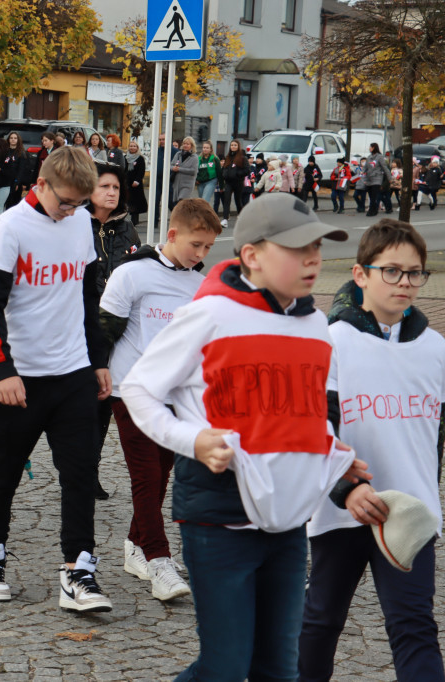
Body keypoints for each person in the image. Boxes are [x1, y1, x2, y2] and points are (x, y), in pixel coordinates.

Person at [120, 194, 361, 680]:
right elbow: (138, 388)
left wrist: (336, 463)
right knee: (225, 668)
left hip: (288, 522)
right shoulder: (210, 314)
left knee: (278, 669)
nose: (312, 259)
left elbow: (312, 416)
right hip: (217, 517)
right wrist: (192, 441)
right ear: (251, 255)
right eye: (297, 248)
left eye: (317, 247)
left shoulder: (318, 326)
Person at [298, 219, 444, 682]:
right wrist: (347, 487)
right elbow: (313, 424)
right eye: (392, 271)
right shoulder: (329, 341)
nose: (405, 282)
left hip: (410, 512)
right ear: (361, 274)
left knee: (415, 626)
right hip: (342, 510)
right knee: (320, 622)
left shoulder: (436, 348)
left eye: (415, 272)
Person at [0, 147, 112, 612]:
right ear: (42, 185)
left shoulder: (80, 224)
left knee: (80, 473)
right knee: (3, 473)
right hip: (21, 377)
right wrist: (3, 370)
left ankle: (79, 570)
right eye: (65, 202)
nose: (71, 211)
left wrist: (98, 360)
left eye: (79, 204)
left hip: (72, 373)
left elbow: (88, 298)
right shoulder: (10, 227)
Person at [100, 198, 221, 603]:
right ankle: (157, 558)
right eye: (196, 245)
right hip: (130, 389)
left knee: (162, 474)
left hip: (176, 395)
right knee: (146, 475)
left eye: (208, 247)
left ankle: (135, 544)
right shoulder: (131, 274)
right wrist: (97, 374)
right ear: (172, 235)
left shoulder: (199, 285)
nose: (201, 254)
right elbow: (105, 331)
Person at [88, 163, 140, 502]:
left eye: (116, 188)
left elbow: (137, 272)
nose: (111, 192)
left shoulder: (126, 229)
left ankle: (88, 471)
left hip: (113, 327)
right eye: (104, 186)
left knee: (103, 402)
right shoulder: (77, 226)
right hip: (79, 325)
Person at [0, 132, 21, 213]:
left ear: (0, 146)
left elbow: (11, 174)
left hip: (4, 185)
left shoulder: (7, 157)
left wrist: (0, 169)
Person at [170, 137, 198, 206]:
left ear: (191, 146)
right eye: (184, 143)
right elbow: (171, 165)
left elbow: (193, 171)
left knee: (182, 201)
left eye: (188, 144)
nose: (185, 145)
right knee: (178, 203)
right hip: (177, 184)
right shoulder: (178, 154)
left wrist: (179, 169)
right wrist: (173, 168)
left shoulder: (194, 157)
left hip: (187, 185)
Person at [364, 143, 391, 216]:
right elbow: (365, 168)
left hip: (377, 178)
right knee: (370, 195)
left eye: (370, 147)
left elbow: (385, 168)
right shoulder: (369, 157)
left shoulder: (380, 157)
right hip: (369, 179)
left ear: (374, 148)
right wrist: (363, 177)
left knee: (374, 195)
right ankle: (375, 210)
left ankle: (371, 211)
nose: (369, 148)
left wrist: (389, 178)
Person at [125, 140, 147, 225]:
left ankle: (135, 220)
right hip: (127, 183)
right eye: (131, 146)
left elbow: (141, 171)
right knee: (128, 201)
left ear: (137, 148)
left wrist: (137, 180)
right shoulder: (126, 157)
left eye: (134, 146)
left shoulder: (140, 158)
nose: (132, 147)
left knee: (135, 202)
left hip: (136, 184)